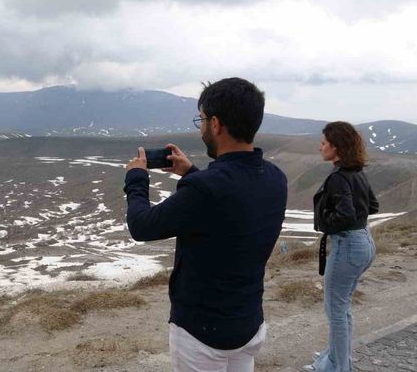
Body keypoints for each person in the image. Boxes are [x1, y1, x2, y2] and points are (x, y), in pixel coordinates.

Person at [124, 77, 287, 372]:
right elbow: (230, 204)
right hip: (248, 322)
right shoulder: (275, 177)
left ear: (215, 124)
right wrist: (191, 174)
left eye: (201, 120)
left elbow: (142, 226)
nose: (200, 129)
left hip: (202, 333)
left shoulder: (207, 188)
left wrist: (136, 179)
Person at [304, 122, 378, 372]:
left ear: (336, 148)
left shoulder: (338, 178)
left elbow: (345, 216)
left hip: (348, 245)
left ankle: (337, 367)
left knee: (335, 309)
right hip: (365, 242)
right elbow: (374, 206)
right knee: (342, 306)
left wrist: (325, 222)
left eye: (324, 143)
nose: (320, 146)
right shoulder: (357, 173)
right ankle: (336, 358)